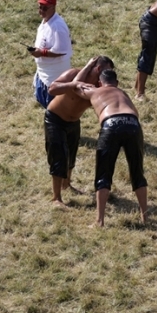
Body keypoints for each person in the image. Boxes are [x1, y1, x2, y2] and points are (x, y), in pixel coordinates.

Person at [73, 69, 148, 227]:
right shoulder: (123, 93)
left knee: (103, 173)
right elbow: (135, 113)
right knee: (137, 171)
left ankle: (100, 220)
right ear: (117, 83)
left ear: (100, 82)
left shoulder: (96, 91)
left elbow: (76, 87)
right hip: (133, 123)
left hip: (111, 123)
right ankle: (145, 216)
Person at [45, 55, 115, 208]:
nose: (106, 77)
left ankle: (67, 184)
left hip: (74, 122)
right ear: (97, 69)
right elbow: (52, 89)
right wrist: (73, 83)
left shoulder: (98, 88)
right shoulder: (72, 74)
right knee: (58, 155)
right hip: (55, 119)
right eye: (106, 72)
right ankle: (56, 198)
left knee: (71, 154)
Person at [28, 0, 73, 109]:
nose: (41, 11)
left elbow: (62, 50)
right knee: (45, 104)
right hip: (44, 72)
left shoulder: (58, 26)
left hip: (54, 75)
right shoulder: (45, 21)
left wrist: (41, 53)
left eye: (45, 8)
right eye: (40, 7)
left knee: (56, 108)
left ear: (53, 8)